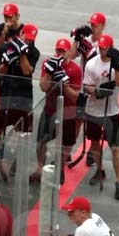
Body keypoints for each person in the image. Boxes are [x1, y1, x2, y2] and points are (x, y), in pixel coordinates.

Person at [30, 38, 82, 184]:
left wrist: (64, 84)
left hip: (67, 111)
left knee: (67, 142)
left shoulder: (75, 69)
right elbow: (43, 87)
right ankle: (40, 168)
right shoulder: (49, 64)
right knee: (41, 141)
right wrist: (49, 72)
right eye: (57, 50)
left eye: (63, 51)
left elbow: (75, 96)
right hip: (50, 109)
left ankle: (60, 167)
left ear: (68, 52)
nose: (59, 53)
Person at [82, 34, 119, 200]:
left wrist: (116, 67)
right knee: (95, 143)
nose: (102, 50)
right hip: (94, 110)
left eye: (105, 48)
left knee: (115, 146)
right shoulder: (91, 63)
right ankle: (100, 169)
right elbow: (86, 86)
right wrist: (96, 92)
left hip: (112, 111)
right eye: (100, 47)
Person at [0, 23, 40, 134]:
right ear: (21, 34)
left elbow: (26, 71)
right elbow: (0, 72)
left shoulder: (34, 52)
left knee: (23, 129)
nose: (28, 41)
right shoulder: (6, 47)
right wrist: (7, 61)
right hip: (6, 91)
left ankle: (16, 149)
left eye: (31, 39)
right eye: (27, 38)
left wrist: (21, 53)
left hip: (23, 93)